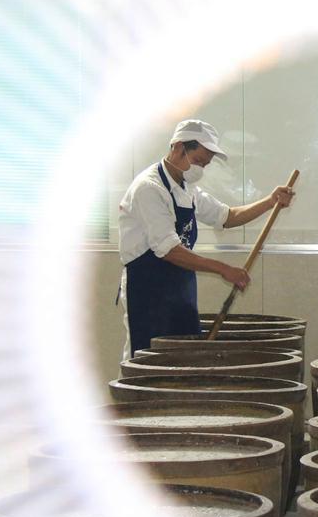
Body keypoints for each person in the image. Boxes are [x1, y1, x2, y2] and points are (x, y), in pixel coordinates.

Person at [117, 119, 293, 359]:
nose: (200, 169)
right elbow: (169, 250)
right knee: (147, 357)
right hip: (148, 288)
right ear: (178, 147)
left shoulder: (187, 188)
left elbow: (228, 216)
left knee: (184, 356)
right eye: (198, 161)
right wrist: (224, 269)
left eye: (205, 164)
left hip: (180, 286)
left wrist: (270, 202)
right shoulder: (149, 188)